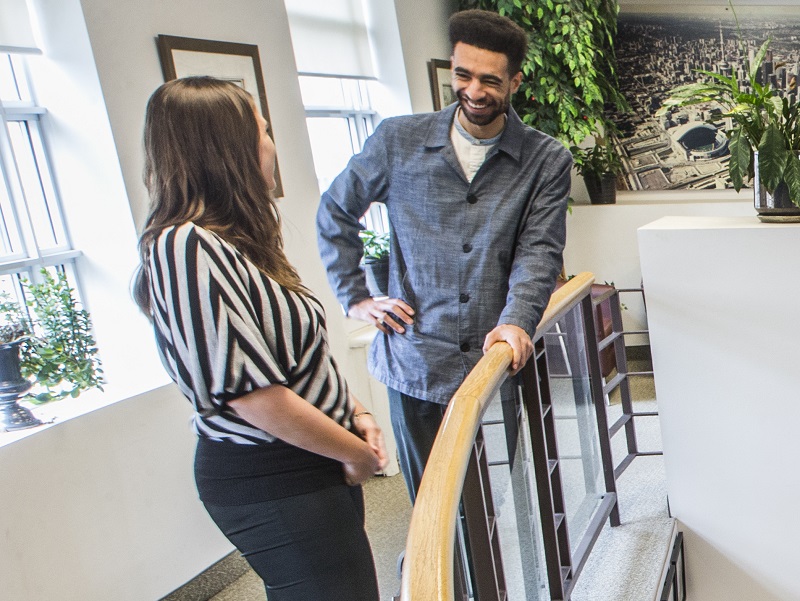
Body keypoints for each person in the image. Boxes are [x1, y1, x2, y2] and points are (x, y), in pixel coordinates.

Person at [133, 76, 387, 601]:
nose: (272, 144)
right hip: (273, 473)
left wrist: (355, 411)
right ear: (226, 149)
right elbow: (251, 396)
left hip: (314, 460)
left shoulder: (236, 241)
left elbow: (296, 359)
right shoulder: (185, 246)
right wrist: (358, 454)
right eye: (263, 131)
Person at [316, 9, 572, 503]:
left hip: (494, 362)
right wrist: (356, 297)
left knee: (496, 500)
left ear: (515, 81)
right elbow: (335, 211)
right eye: (463, 75)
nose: (474, 91)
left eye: (490, 80)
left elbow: (539, 250)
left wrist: (517, 320)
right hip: (416, 360)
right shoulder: (397, 140)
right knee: (431, 503)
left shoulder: (546, 160)